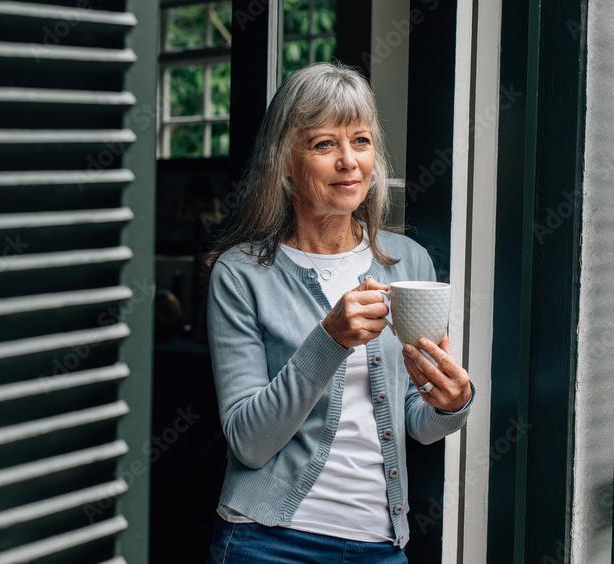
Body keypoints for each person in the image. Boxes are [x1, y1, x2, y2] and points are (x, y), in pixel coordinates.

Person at [204, 62, 474, 563]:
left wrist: (451, 405)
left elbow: (415, 420)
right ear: (285, 160)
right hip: (267, 543)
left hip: (380, 543)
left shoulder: (408, 261)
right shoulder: (240, 274)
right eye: (325, 144)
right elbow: (248, 442)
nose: (349, 161)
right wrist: (329, 339)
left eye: (362, 141)